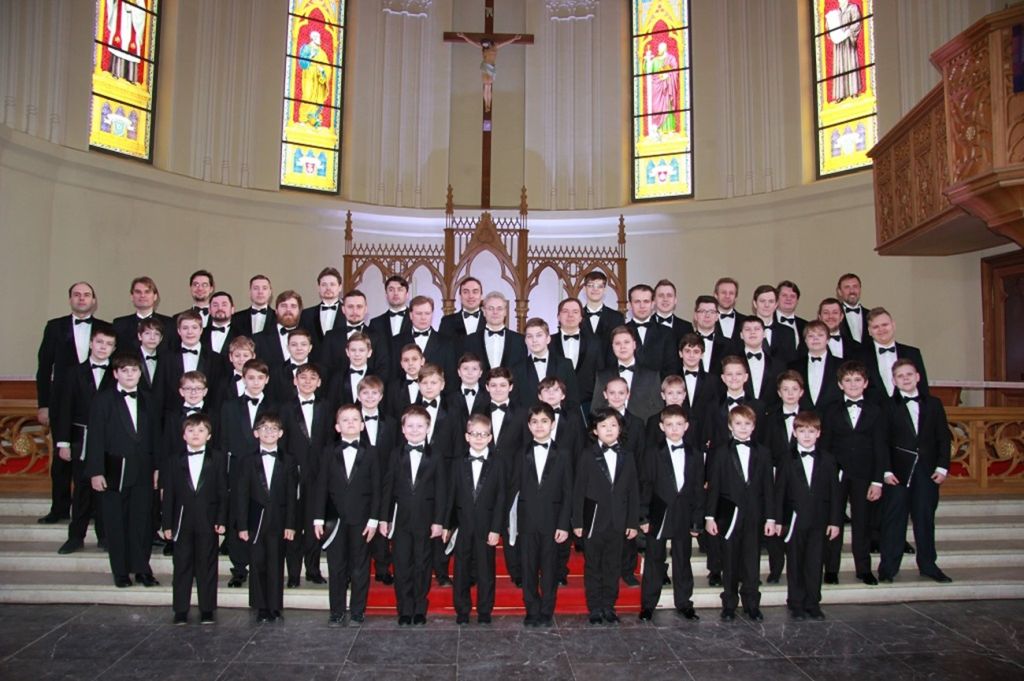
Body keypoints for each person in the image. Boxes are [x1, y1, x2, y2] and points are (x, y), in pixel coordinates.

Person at [86, 353, 159, 588]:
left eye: (134, 370)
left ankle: (142, 569)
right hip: (114, 471)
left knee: (142, 523)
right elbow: (95, 437)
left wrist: (158, 468)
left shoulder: (149, 399)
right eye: (125, 370)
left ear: (140, 373)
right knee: (116, 523)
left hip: (144, 470)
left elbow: (156, 436)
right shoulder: (103, 400)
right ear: (116, 374)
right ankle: (120, 571)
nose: (130, 375)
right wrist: (96, 471)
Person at [36, 281, 106, 524]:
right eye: (77, 295)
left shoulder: (105, 328)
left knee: (95, 458)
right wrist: (43, 404)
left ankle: (93, 510)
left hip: (94, 405)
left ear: (94, 300)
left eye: (86, 295)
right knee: (62, 458)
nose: (81, 298)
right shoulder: (54, 327)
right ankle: (59, 508)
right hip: (61, 403)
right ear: (70, 300)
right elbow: (44, 368)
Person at [878, 360, 953, 584]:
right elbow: (881, 441)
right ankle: (888, 568)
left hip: (927, 473)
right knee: (894, 521)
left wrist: (942, 466)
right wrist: (886, 471)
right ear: (894, 381)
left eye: (909, 374)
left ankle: (928, 565)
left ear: (918, 377)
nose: (905, 379)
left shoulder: (934, 404)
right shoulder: (886, 406)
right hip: (897, 473)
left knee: (925, 520)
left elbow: (943, 437)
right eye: (900, 376)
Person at [704, 405, 776, 622]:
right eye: (738, 423)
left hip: (754, 515)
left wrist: (770, 517)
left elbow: (768, 487)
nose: (743, 428)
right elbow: (714, 486)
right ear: (730, 426)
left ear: (754, 426)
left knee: (752, 561)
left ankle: (752, 604)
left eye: (747, 424)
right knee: (729, 560)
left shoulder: (764, 452)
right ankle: (729, 604)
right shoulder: (720, 452)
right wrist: (709, 517)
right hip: (728, 515)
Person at [313, 404, 382, 626]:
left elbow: (377, 489)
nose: (350, 423)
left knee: (360, 566)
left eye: (355, 419)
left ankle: (357, 611)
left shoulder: (372, 452)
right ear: (337, 426)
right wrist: (318, 518)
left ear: (362, 425)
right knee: (336, 567)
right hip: (335, 520)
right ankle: (336, 611)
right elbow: (321, 486)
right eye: (345, 420)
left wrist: (374, 519)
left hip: (362, 519)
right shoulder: (328, 451)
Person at [820, 360, 886, 586]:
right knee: (833, 521)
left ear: (865, 383)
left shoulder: (876, 411)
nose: (853, 384)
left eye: (857, 380)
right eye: (847, 380)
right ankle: (831, 569)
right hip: (836, 475)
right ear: (840, 384)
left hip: (864, 475)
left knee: (862, 523)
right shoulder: (830, 410)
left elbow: (880, 447)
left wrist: (877, 481)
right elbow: (825, 446)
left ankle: (864, 569)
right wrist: (827, 476)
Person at [54, 323, 117, 554]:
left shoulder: (118, 373)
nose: (103, 347)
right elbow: (65, 409)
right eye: (99, 342)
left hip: (110, 441)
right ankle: (75, 537)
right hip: (82, 439)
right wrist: (63, 442)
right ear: (91, 343)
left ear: (114, 348)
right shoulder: (74, 372)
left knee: (106, 490)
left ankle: (105, 536)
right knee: (81, 489)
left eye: (109, 344)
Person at [380, 406, 446, 626]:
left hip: (426, 520)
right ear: (403, 429)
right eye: (410, 426)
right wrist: (384, 518)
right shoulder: (394, 454)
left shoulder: (436, 456)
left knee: (422, 564)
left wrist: (439, 521)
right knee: (401, 565)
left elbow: (441, 491)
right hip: (401, 520)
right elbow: (387, 489)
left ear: (428, 428)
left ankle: (419, 608)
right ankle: (404, 609)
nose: (415, 430)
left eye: (420, 426)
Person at [573, 408, 640, 625]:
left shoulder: (628, 456)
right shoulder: (587, 455)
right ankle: (594, 607)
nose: (609, 429)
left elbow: (633, 491)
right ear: (595, 430)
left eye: (613, 425)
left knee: (613, 566)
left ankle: (609, 606)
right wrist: (577, 522)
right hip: (593, 521)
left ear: (620, 429)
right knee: (593, 566)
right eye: (603, 426)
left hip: (618, 521)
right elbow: (578, 490)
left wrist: (632, 522)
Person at [774, 412, 841, 621]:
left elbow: (835, 493)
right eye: (802, 431)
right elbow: (779, 492)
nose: (807, 436)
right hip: (795, 520)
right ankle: (795, 603)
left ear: (819, 433)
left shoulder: (828, 459)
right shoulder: (786, 459)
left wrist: (835, 521)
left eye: (811, 431)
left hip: (819, 520)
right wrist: (778, 520)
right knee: (795, 562)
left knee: (815, 562)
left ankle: (813, 603)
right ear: (794, 433)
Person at [510, 404, 573, 627]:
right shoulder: (520, 453)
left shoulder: (563, 454)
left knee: (550, 569)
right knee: (527, 568)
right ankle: (531, 609)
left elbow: (568, 492)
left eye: (544, 421)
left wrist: (564, 524)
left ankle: (547, 610)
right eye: (535, 421)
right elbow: (513, 489)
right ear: (528, 426)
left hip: (552, 521)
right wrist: (511, 522)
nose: (539, 426)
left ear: (552, 424)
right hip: (527, 521)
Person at [639, 405, 703, 622]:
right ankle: (648, 605)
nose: (674, 429)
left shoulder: (695, 454)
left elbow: (697, 489)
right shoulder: (652, 452)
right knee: (654, 559)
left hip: (683, 513)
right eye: (669, 425)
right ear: (661, 427)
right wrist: (643, 516)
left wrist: (697, 520)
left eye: (678, 424)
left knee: (683, 559)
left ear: (686, 426)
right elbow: (646, 485)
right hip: (658, 512)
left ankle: (684, 603)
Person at [162, 413, 228, 625]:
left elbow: (222, 492)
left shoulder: (217, 458)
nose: (195, 434)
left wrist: (221, 519)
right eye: (190, 430)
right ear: (183, 435)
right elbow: (169, 494)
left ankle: (207, 609)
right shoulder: (174, 460)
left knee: (207, 566)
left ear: (209, 435)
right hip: (182, 521)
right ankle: (180, 609)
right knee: (181, 565)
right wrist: (167, 523)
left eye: (201, 430)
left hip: (207, 520)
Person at [218, 358, 278, 588]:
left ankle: (261, 565)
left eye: (260, 378)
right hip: (238, 469)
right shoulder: (229, 406)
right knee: (238, 517)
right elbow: (223, 441)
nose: (255, 382)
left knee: (265, 517)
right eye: (250, 377)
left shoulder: (275, 406)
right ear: (243, 379)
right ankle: (239, 568)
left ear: (267, 380)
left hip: (267, 468)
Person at [443, 414, 506, 625]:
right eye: (475, 434)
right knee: (460, 569)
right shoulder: (457, 463)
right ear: (467, 436)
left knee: (486, 569)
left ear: (490, 438)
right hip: (463, 525)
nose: (479, 438)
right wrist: (446, 525)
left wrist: (496, 528)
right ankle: (462, 610)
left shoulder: (498, 463)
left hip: (487, 526)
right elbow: (450, 496)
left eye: (483, 434)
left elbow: (501, 498)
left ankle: (485, 610)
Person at [236, 413, 297, 623]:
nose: (269, 432)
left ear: (280, 433)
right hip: (255, 520)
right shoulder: (246, 460)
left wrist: (291, 524)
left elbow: (292, 495)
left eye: (273, 428)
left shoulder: (289, 460)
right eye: (264, 428)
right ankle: (261, 606)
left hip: (279, 520)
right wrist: (242, 525)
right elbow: (241, 494)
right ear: (256, 433)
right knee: (257, 563)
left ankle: (275, 606)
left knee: (276, 563)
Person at [281, 364, 332, 588]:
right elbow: (282, 443)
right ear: (295, 381)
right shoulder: (285, 408)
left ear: (319, 382)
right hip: (293, 475)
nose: (307, 381)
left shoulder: (326, 406)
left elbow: (330, 441)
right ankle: (293, 573)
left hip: (318, 475)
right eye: (303, 377)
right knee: (292, 524)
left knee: (315, 524)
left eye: (313, 378)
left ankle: (312, 569)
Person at [591, 326, 663, 422]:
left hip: (642, 429)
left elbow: (658, 410)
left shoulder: (652, 376)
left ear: (634, 345)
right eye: (618, 343)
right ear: (612, 347)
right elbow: (596, 409)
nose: (622, 347)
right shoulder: (602, 376)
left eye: (626, 342)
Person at [863, 307, 930, 404]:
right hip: (873, 410)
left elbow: (922, 387)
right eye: (875, 327)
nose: (881, 329)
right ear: (869, 331)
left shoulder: (912, 353)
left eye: (885, 325)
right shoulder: (859, 356)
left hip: (906, 410)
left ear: (893, 325)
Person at [549, 298, 604, 412]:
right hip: (554, 404)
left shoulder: (595, 342)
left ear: (581, 318)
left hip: (587, 404)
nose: (570, 315)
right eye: (565, 311)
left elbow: (600, 374)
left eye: (575, 312)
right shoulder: (548, 342)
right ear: (558, 316)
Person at [512, 317, 578, 409]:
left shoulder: (565, 364)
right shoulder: (517, 369)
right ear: (525, 341)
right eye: (529, 336)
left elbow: (573, 399)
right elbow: (515, 403)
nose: (534, 340)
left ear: (548, 339)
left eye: (539, 335)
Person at [455, 32, 523, 113]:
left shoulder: (495, 46)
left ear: (489, 43)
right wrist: (463, 36)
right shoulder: (483, 47)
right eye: (484, 45)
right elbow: (471, 42)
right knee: (486, 86)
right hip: (485, 66)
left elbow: (506, 43)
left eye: (486, 44)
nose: (485, 46)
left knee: (488, 86)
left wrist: (514, 38)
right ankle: (486, 105)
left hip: (491, 68)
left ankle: (488, 104)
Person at [463, 291, 527, 372]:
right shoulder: (470, 340)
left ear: (505, 311)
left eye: (499, 308)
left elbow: (522, 371)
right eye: (491, 308)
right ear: (484, 311)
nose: (495, 312)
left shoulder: (520, 340)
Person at [790, 321, 843, 415]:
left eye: (820, 335)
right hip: (803, 418)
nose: (815, 339)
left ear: (828, 339)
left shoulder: (841, 365)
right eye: (811, 336)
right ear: (805, 340)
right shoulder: (793, 367)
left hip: (833, 417)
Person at [111, 276, 173, 354]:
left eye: (147, 292)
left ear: (155, 296)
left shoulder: (169, 324)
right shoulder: (119, 324)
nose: (142, 295)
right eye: (138, 292)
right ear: (132, 297)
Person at [828, 0, 863, 101]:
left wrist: (848, 31)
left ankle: (853, 91)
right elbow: (830, 28)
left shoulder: (853, 8)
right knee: (840, 67)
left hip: (849, 41)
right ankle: (840, 94)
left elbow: (857, 22)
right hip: (839, 44)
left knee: (850, 64)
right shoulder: (835, 13)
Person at [643, 41, 679, 139]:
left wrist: (668, 75)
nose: (658, 50)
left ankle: (670, 129)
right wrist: (647, 61)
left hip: (667, 88)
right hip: (657, 88)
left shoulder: (671, 59)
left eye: (660, 48)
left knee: (668, 107)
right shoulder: (655, 60)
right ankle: (658, 129)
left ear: (664, 48)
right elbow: (648, 71)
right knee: (656, 107)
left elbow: (675, 71)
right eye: (658, 48)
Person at [299, 266, 343, 344]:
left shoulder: (349, 313)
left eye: (332, 284)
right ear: (318, 288)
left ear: (340, 287)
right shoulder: (306, 315)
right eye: (324, 285)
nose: (328, 288)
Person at [298, 30, 330, 125]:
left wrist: (323, 71)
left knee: (317, 100)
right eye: (318, 38)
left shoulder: (322, 53)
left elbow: (327, 67)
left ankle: (314, 119)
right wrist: (309, 58)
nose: (320, 40)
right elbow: (302, 63)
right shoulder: (307, 48)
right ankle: (303, 118)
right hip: (308, 75)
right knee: (307, 96)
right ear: (314, 38)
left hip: (318, 78)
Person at [836, 273, 867, 343]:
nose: (852, 291)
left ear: (860, 289)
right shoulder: (833, 316)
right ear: (839, 292)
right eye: (847, 287)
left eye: (855, 286)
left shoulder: (871, 315)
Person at [713, 277, 746, 342]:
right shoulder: (708, 320)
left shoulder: (745, 321)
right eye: (723, 292)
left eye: (731, 293)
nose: (727, 296)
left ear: (735, 297)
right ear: (716, 295)